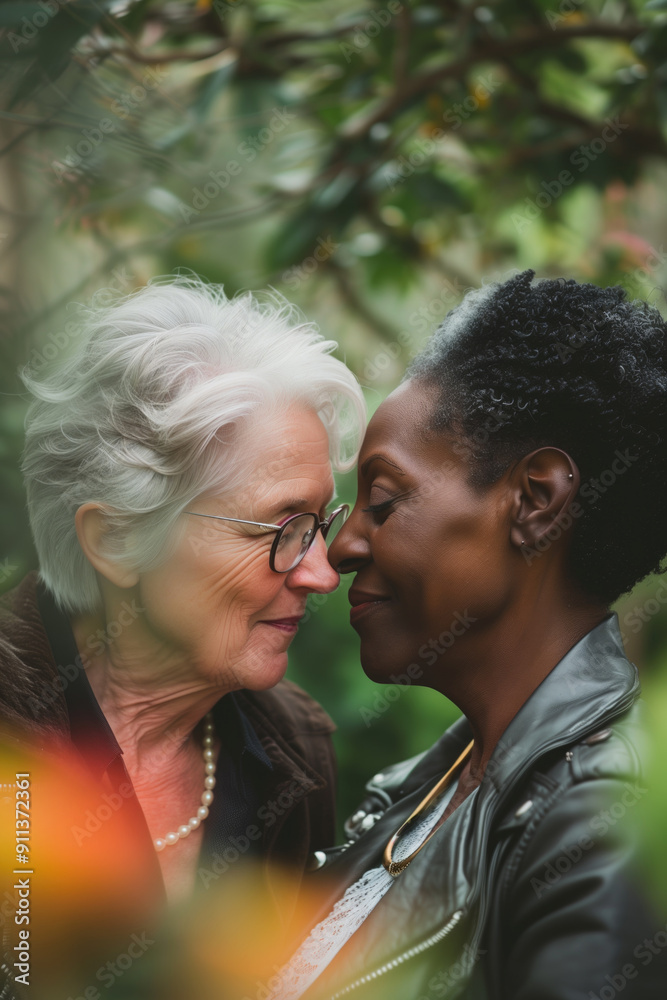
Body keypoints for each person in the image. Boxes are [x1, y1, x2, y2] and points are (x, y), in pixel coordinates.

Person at [270, 270, 667, 1000]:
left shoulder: (598, 824)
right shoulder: (415, 792)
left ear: (535, 501)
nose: (341, 547)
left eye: (383, 502)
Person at [0, 276, 365, 998]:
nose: (322, 573)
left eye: (319, 525)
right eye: (282, 529)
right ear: (117, 540)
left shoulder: (296, 752)